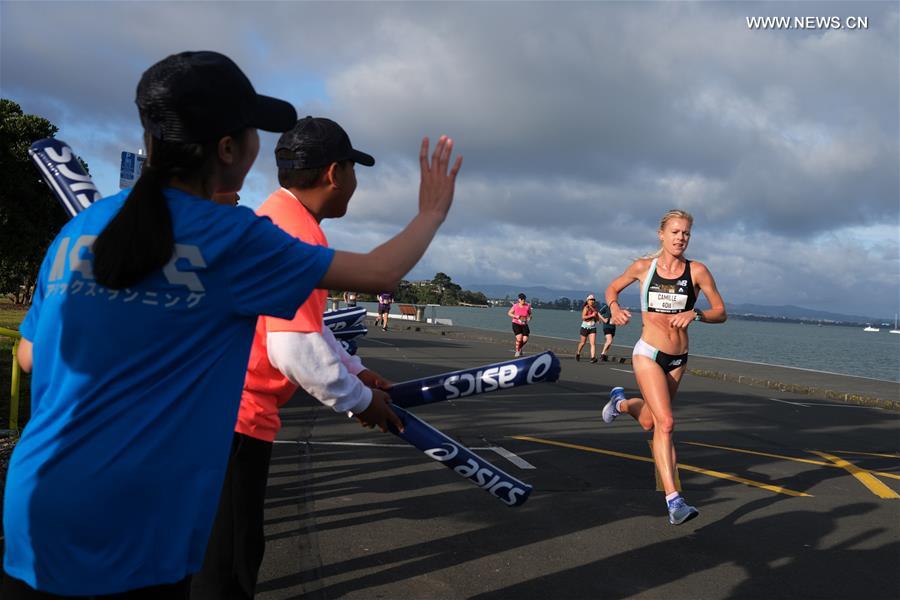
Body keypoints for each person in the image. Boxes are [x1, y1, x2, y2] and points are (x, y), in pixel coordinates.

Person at [3, 50, 462, 598]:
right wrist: (432, 211)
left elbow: (29, 355)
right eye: (252, 133)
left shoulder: (84, 229)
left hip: (37, 500)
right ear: (228, 149)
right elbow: (380, 272)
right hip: (136, 517)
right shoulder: (233, 237)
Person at [192, 116, 398, 600]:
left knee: (214, 555)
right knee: (229, 567)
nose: (354, 183)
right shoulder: (300, 237)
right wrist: (359, 401)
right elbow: (292, 346)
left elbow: (305, 321)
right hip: (235, 419)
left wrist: (355, 370)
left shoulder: (273, 217)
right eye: (353, 169)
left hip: (210, 411)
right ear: (334, 174)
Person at [601, 209, 726, 526]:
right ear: (662, 234)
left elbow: (721, 311)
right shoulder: (645, 268)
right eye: (675, 232)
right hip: (648, 352)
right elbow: (612, 289)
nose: (681, 237)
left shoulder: (697, 271)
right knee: (666, 423)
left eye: (686, 233)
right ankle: (675, 502)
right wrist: (614, 308)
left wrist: (696, 314)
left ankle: (621, 402)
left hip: (677, 358)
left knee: (648, 421)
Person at [575, 294, 600, 363]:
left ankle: (593, 358)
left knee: (593, 343)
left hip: (592, 327)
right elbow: (583, 317)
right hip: (585, 327)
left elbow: (597, 317)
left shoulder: (595, 308)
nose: (592, 301)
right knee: (583, 343)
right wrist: (591, 315)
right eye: (591, 300)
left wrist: (597, 320)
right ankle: (578, 353)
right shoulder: (586, 308)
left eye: (593, 300)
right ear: (587, 301)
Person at [507, 293, 533, 357]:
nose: (523, 301)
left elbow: (530, 314)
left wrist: (529, 318)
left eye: (524, 299)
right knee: (519, 338)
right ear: (519, 299)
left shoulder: (528, 306)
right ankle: (517, 351)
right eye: (522, 299)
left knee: (525, 339)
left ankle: (519, 348)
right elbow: (509, 313)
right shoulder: (515, 306)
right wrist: (516, 316)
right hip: (516, 323)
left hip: (524, 324)